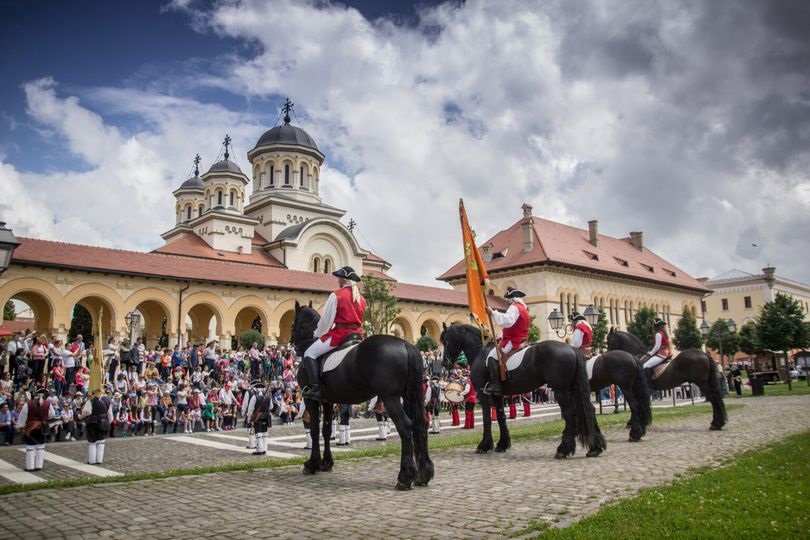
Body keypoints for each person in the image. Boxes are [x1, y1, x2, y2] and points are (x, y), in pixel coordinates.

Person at [302, 266, 367, 401]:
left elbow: (326, 320)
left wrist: (318, 334)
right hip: (357, 335)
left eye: (338, 278)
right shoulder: (361, 298)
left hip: (340, 334)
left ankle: (316, 388)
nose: (337, 280)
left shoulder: (336, 295)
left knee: (309, 353)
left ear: (342, 280)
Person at [484, 287, 530, 396]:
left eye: (507, 299)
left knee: (491, 356)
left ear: (511, 299)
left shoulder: (514, 307)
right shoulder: (523, 308)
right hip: (521, 339)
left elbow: (507, 321)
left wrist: (492, 312)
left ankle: (496, 385)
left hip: (514, 340)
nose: (507, 301)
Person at [17, 388, 56, 471]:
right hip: (42, 427)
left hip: (30, 427)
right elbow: (52, 415)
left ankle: (30, 467)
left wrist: (19, 426)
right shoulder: (48, 404)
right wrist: (44, 418)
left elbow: (23, 416)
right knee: (40, 447)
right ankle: (39, 466)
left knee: (30, 447)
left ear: (34, 393)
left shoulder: (28, 404)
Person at [82, 389, 113, 464]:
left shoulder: (90, 400)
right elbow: (110, 415)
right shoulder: (107, 400)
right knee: (101, 441)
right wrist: (108, 422)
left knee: (92, 441)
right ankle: (99, 459)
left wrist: (80, 416)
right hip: (104, 421)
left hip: (92, 422)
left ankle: (91, 460)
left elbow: (87, 412)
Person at [643, 319, 672, 385]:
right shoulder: (664, 334)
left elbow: (657, 346)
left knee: (645, 366)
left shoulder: (658, 334)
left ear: (656, 326)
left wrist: (651, 353)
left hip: (661, 355)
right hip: (667, 353)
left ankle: (648, 384)